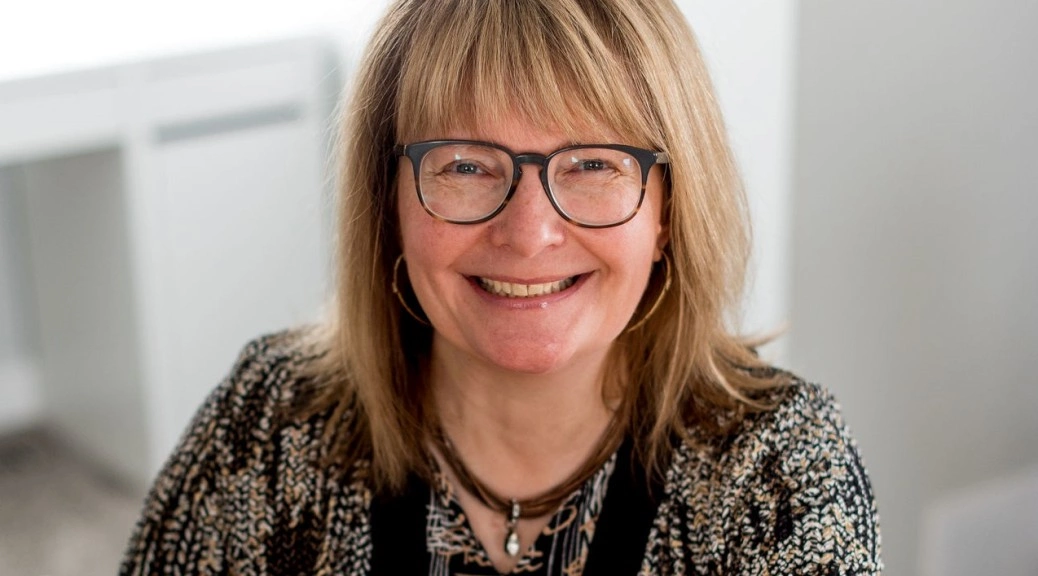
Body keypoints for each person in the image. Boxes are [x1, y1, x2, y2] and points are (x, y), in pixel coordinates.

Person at [120, 0, 881, 574]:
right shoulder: (269, 423)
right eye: (465, 166)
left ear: (668, 211)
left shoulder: (780, 472)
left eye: (592, 165)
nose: (528, 233)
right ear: (387, 205)